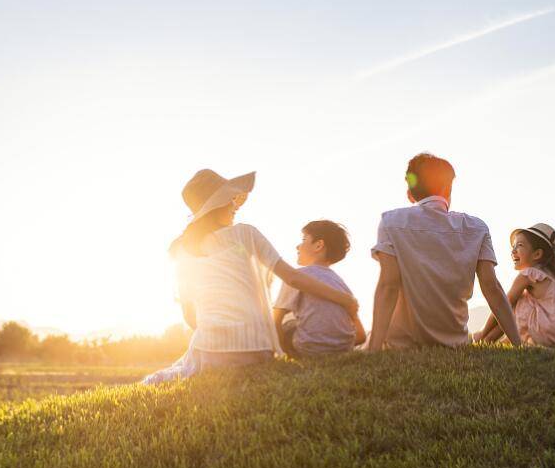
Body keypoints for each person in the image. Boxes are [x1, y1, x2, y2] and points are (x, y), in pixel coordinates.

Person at [141, 169, 359, 384]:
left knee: (175, 372)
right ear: (218, 204)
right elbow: (292, 277)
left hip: (213, 348)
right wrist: (346, 300)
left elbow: (190, 317)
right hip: (259, 350)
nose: (235, 205)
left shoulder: (184, 250)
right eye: (230, 200)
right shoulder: (246, 233)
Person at [366, 153, 521, 351]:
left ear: (410, 195)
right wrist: (518, 344)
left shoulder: (391, 222)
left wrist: (374, 348)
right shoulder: (477, 228)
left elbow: (388, 286)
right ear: (448, 189)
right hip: (453, 345)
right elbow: (492, 289)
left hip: (401, 344)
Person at [474, 223, 555, 347]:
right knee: (524, 300)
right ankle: (492, 340)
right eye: (513, 246)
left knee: (515, 301)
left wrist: (482, 332)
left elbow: (503, 303)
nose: (513, 250)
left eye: (519, 245)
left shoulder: (530, 273)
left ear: (537, 254)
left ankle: (485, 339)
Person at [272, 220, 366, 358]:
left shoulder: (298, 276)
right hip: (343, 350)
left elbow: (276, 320)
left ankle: (283, 355)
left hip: (307, 349)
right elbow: (361, 337)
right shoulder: (341, 285)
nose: (297, 246)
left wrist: (280, 352)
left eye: (303, 239)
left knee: (285, 316)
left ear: (318, 245)